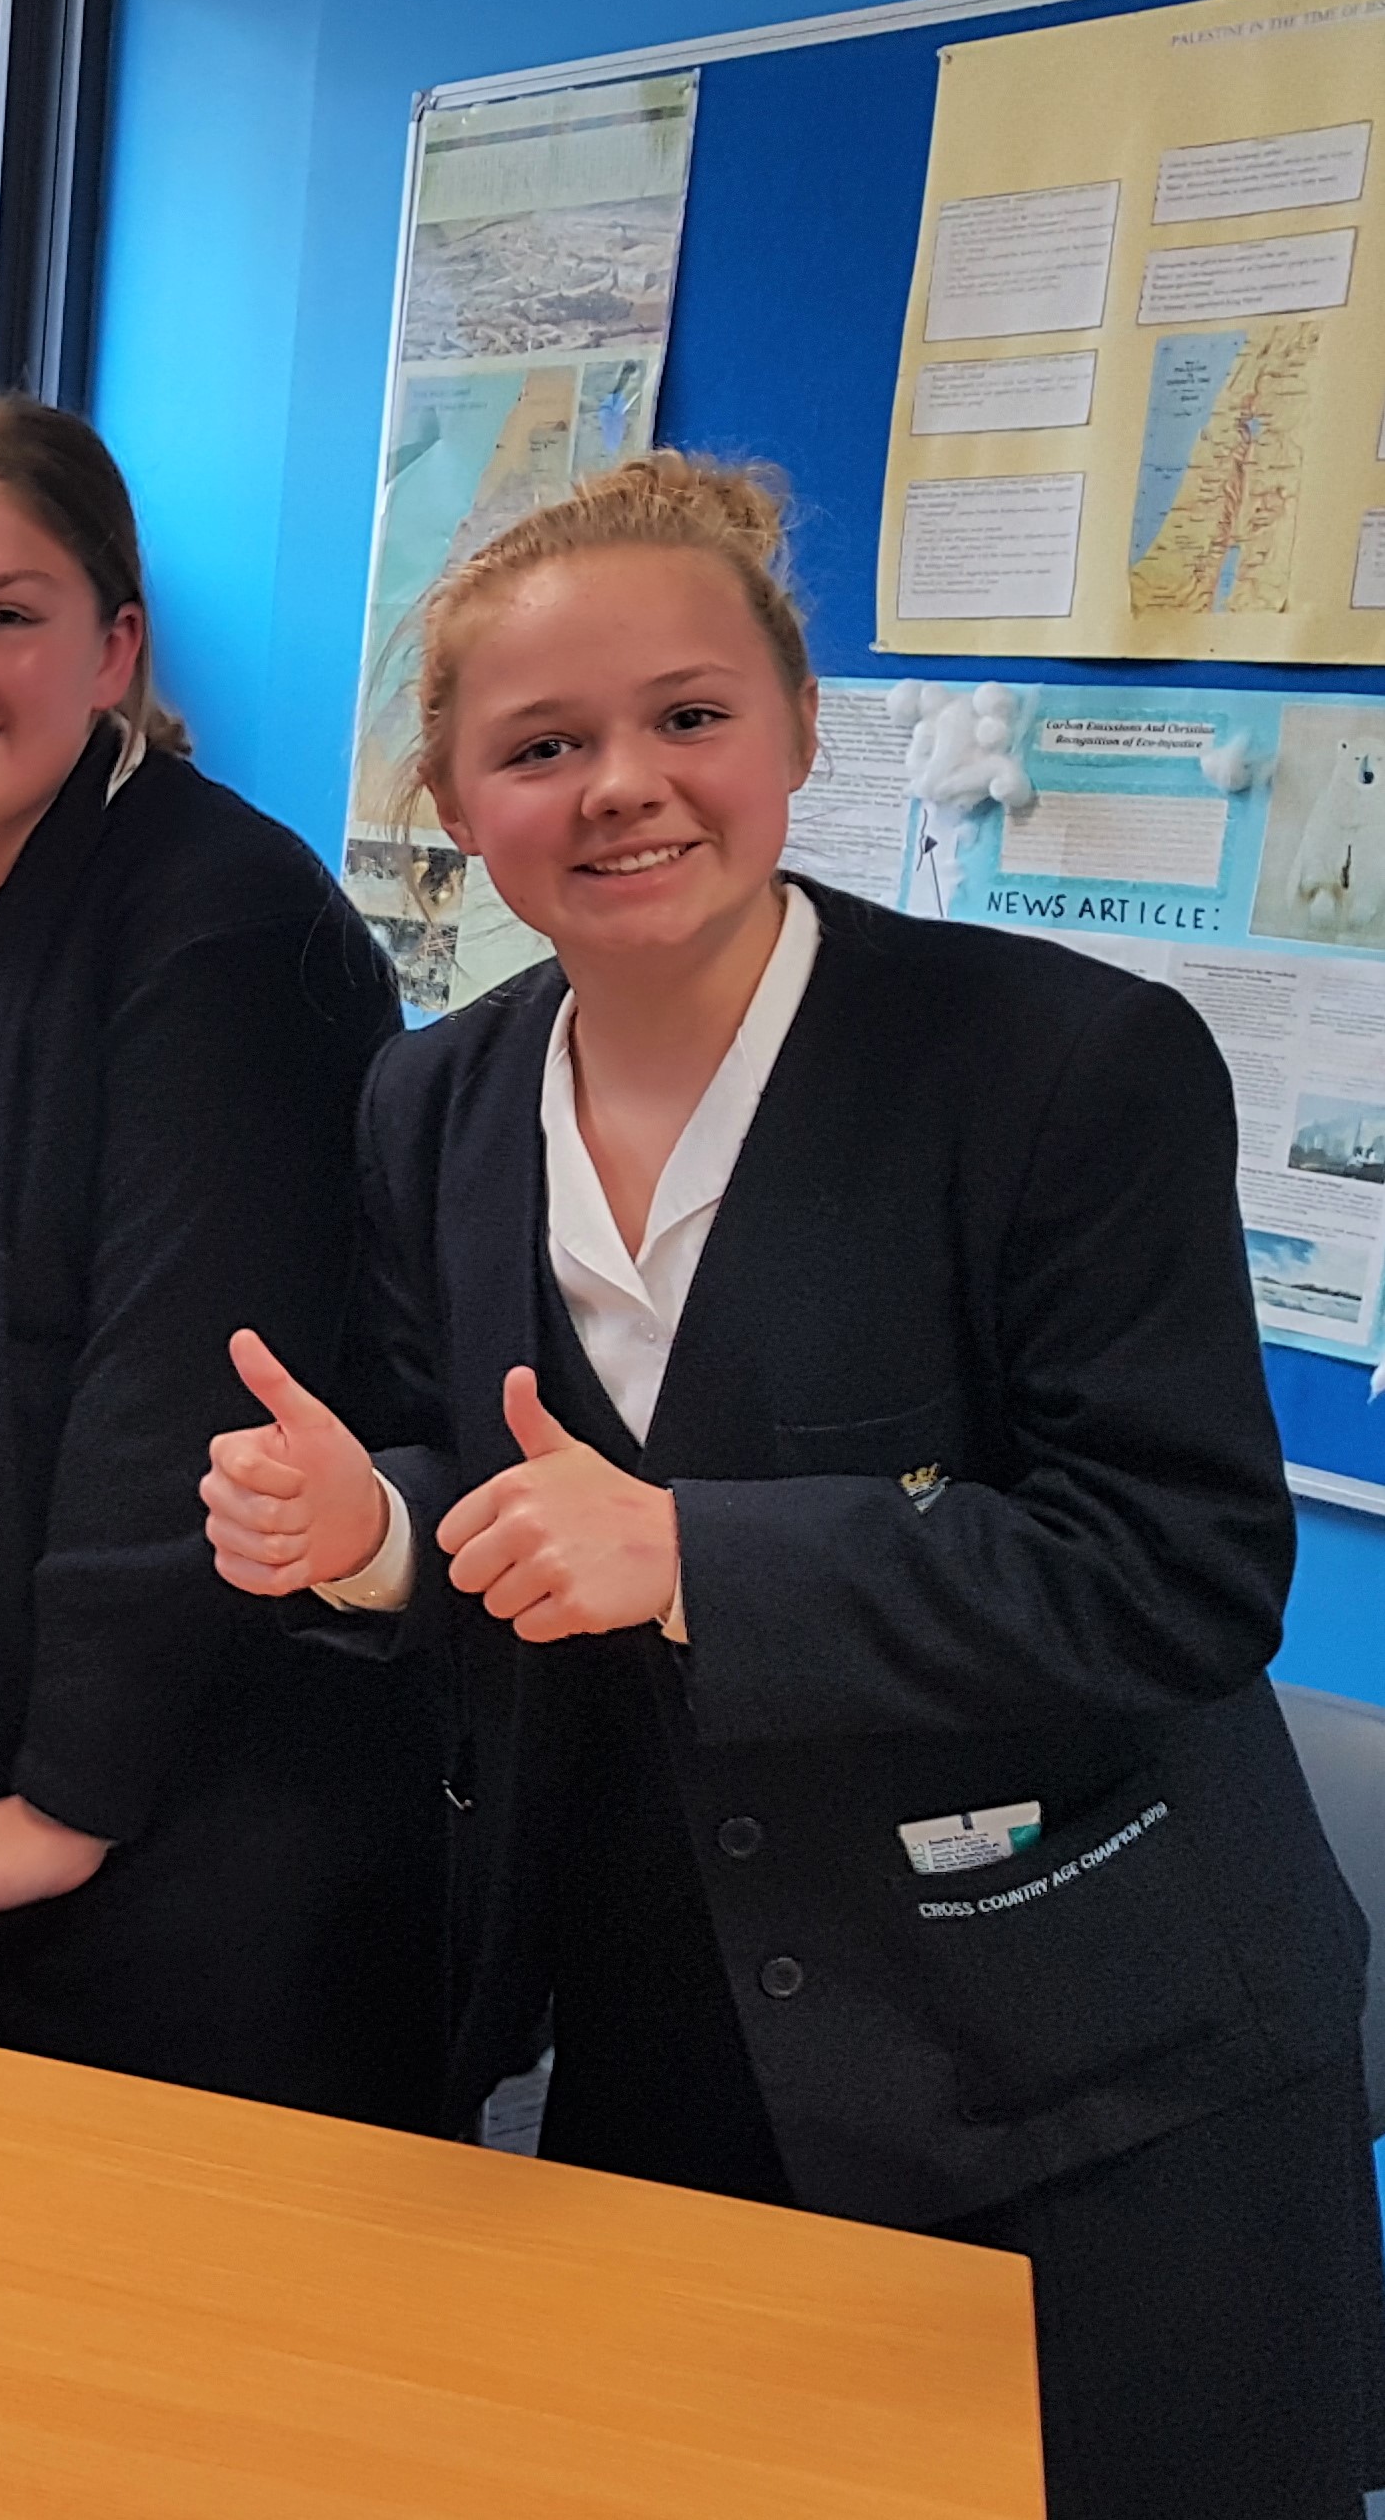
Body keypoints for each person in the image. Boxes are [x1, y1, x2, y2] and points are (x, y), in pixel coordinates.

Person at [203, 453, 1383, 2516]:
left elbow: (1177, 1568)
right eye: (539, 746)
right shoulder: (433, 1100)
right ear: (452, 797)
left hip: (1085, 2083)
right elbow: (473, 1479)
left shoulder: (1060, 1068)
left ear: (799, 730)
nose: (622, 787)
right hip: (666, 2044)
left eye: (689, 716)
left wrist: (690, 1552)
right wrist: (377, 1534)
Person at [0, 395, 440, 2119]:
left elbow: (179, 1390)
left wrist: (60, 1805)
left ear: (112, 649)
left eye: (4, 614)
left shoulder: (223, 921)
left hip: (200, 1801)